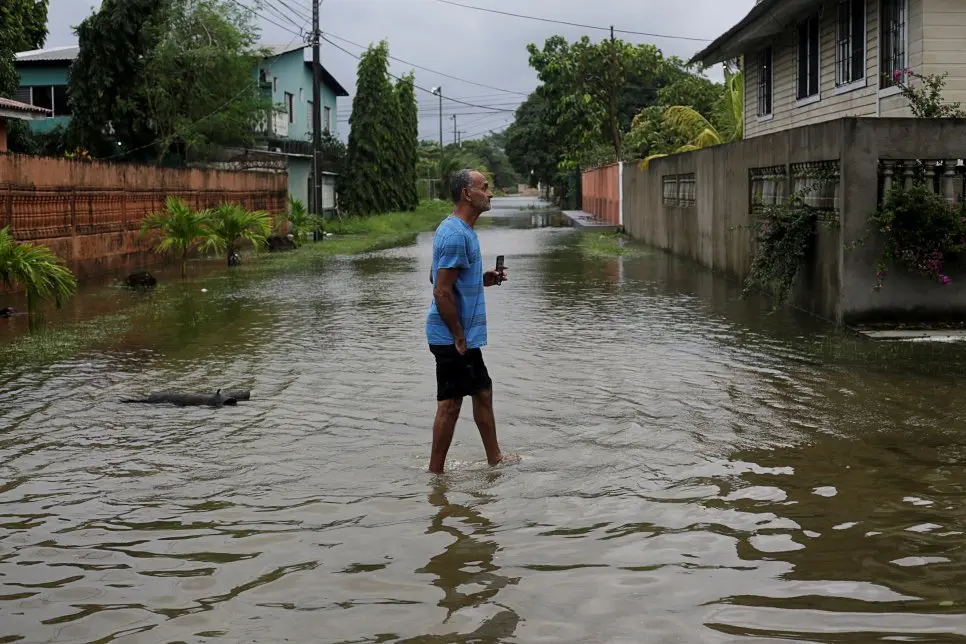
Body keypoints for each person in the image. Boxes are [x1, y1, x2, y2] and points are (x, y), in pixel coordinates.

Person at [426, 169, 508, 474]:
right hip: (452, 336)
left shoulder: (463, 232)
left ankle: (494, 460)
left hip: (461, 334)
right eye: (484, 188)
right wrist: (458, 334)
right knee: (450, 404)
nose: (489, 193)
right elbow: (440, 290)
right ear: (466, 194)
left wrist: (482, 279)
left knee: (482, 391)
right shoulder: (454, 234)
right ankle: (435, 476)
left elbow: (439, 277)